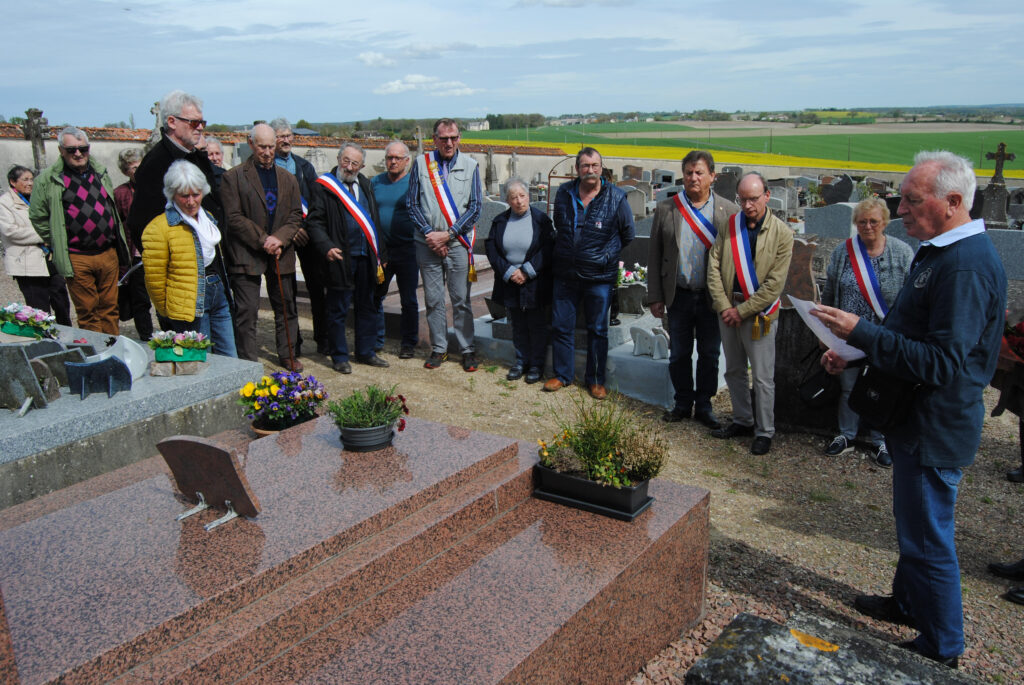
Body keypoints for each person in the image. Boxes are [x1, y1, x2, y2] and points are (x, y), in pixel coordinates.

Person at [812, 151, 1007, 668]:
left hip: (934, 424)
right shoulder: (941, 250)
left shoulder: (964, 266)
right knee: (913, 524)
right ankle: (906, 602)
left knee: (928, 536)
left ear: (953, 202)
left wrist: (862, 332)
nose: (900, 211)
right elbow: (909, 332)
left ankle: (942, 645)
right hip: (915, 418)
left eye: (913, 201)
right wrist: (855, 350)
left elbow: (942, 363)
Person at [819, 197, 913, 466]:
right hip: (848, 335)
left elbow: (909, 299)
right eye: (862, 221)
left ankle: (880, 439)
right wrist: (826, 335)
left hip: (885, 335)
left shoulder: (902, 253)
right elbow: (829, 293)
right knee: (849, 387)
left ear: (884, 222)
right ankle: (846, 434)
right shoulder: (842, 252)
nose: (868, 226)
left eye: (873, 221)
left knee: (882, 387)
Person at [648, 150, 738, 428]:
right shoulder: (667, 209)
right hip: (679, 294)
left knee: (710, 354)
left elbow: (734, 259)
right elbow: (655, 254)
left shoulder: (729, 212)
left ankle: (705, 404)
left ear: (712, 176)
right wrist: (655, 296)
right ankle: (682, 402)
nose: (693, 177)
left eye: (699, 172)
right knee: (679, 353)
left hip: (713, 298)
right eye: (688, 172)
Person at [707, 172, 793, 455]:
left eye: (753, 199)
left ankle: (765, 430)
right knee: (733, 370)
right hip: (728, 310)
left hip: (759, 315)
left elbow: (774, 285)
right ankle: (743, 420)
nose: (747, 205)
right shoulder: (729, 226)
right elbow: (714, 268)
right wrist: (724, 306)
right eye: (742, 199)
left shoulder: (783, 233)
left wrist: (741, 311)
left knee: (762, 376)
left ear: (766, 196)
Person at [544, 147, 634, 400]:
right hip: (566, 273)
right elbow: (559, 226)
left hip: (599, 276)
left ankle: (595, 380)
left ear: (601, 168)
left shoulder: (616, 197)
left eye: (595, 165)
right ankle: (562, 375)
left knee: (597, 329)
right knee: (562, 326)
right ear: (577, 169)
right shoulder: (564, 193)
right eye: (585, 166)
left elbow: (627, 233)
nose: (590, 170)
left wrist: (606, 255)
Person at [29, 127, 129, 335]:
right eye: (71, 149)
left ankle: (113, 354)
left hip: (107, 252)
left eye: (83, 149)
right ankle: (96, 354)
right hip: (77, 256)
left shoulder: (100, 172)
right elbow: (38, 216)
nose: (78, 154)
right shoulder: (48, 179)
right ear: (61, 150)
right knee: (88, 311)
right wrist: (57, 239)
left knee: (110, 309)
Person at [221, 123, 303, 369]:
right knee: (247, 311)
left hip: (281, 252)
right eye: (262, 146)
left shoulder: (288, 179)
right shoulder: (233, 177)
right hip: (247, 253)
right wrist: (263, 240)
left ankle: (288, 354)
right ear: (251, 144)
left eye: (271, 146)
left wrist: (279, 238)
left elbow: (296, 215)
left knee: (286, 307)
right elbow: (233, 217)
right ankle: (247, 361)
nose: (267, 152)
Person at [406, 118, 482, 371]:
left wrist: (448, 235)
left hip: (457, 243)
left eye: (454, 138)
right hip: (426, 243)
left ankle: (467, 348)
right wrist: (430, 234)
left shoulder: (471, 166)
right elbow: (412, 204)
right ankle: (439, 348)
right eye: (443, 138)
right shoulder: (421, 164)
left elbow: (475, 207)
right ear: (434, 139)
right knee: (434, 298)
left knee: (461, 299)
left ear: (459, 138)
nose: (449, 143)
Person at [306, 143, 388, 373]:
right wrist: (326, 246)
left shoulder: (365, 184)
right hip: (340, 257)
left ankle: (366, 351)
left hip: (366, 256)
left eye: (355, 163)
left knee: (368, 306)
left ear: (361, 165)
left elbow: (374, 221)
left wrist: (381, 253)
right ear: (339, 159)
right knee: (338, 309)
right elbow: (314, 222)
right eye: (346, 161)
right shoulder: (324, 187)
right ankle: (340, 355)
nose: (350, 167)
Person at [141, 160, 236, 357]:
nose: (191, 201)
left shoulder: (208, 217)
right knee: (202, 357)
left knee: (229, 353)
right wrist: (168, 311)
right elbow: (155, 280)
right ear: (172, 194)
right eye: (185, 196)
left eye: (196, 194)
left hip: (217, 291)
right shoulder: (158, 229)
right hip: (189, 302)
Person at [128, 90, 220, 248]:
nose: (199, 128)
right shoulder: (156, 163)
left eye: (202, 123)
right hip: (180, 262)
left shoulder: (196, 156)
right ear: (171, 122)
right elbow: (143, 225)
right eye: (193, 123)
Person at [485, 178, 554, 383]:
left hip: (534, 281)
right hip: (510, 281)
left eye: (522, 196)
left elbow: (548, 248)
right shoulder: (500, 221)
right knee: (517, 325)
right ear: (507, 200)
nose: (519, 201)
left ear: (529, 197)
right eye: (513, 197)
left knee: (536, 325)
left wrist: (527, 271)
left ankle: (536, 365)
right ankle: (520, 362)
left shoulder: (541, 220)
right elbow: (492, 248)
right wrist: (508, 271)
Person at [270, 117, 327, 356]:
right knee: (287, 292)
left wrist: (306, 228)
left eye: (288, 135)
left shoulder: (304, 166)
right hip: (282, 237)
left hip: (307, 236)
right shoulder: (267, 166)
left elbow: (316, 201)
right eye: (280, 136)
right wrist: (291, 231)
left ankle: (323, 339)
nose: (285, 140)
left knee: (317, 288)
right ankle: (293, 342)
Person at [0, 165, 71, 324]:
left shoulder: (39, 198)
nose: (30, 183)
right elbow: (11, 231)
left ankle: (68, 335)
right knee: (39, 307)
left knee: (61, 301)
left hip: (50, 258)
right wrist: (44, 235)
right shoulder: (4, 203)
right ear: (13, 182)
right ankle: (46, 341)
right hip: (26, 261)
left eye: (32, 179)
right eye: (25, 179)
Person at [372, 140, 420, 359]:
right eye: (389, 158)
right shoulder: (375, 182)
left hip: (408, 249)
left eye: (397, 158)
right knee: (377, 294)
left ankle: (409, 343)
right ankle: (376, 339)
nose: (392, 162)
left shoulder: (414, 183)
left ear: (407, 161)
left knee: (408, 299)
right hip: (382, 251)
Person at [112, 148, 154, 341]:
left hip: (159, 250)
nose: (137, 171)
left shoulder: (158, 187)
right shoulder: (120, 193)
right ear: (126, 171)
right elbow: (118, 224)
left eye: (140, 166)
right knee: (140, 299)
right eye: (132, 168)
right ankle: (146, 336)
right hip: (137, 255)